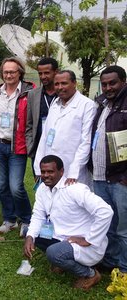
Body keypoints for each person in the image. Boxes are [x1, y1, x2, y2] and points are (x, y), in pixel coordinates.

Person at [24, 155, 113, 290]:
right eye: (43, 172)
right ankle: (62, 261)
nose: (46, 175)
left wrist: (89, 239)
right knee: (29, 232)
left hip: (85, 245)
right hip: (62, 236)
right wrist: (30, 237)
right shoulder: (42, 189)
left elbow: (106, 212)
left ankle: (90, 274)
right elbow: (38, 215)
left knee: (53, 253)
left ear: (61, 171)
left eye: (50, 171)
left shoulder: (75, 189)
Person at [0, 57, 34, 236]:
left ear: (19, 72)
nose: (9, 75)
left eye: (12, 71)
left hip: (17, 146)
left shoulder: (29, 92)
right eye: (6, 72)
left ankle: (27, 220)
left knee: (16, 186)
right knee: (2, 185)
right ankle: (10, 219)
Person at [89, 65, 127, 273]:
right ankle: (111, 260)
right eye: (104, 84)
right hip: (100, 176)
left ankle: (124, 268)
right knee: (108, 224)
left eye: (112, 83)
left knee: (123, 228)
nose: (108, 87)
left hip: (120, 178)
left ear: (123, 81)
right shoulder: (102, 103)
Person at [34, 70, 97, 187]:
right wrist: (39, 167)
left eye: (64, 83)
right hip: (51, 167)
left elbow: (86, 141)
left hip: (72, 168)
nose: (60, 87)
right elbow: (45, 137)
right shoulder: (55, 104)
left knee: (72, 202)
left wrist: (74, 170)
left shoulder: (87, 105)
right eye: (56, 84)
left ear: (74, 83)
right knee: (51, 201)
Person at [26, 58, 58, 175]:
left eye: (47, 73)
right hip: (39, 149)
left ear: (56, 72)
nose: (43, 76)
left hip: (59, 148)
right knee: (41, 185)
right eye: (40, 73)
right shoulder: (33, 94)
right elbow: (29, 123)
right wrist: (31, 147)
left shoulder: (63, 94)